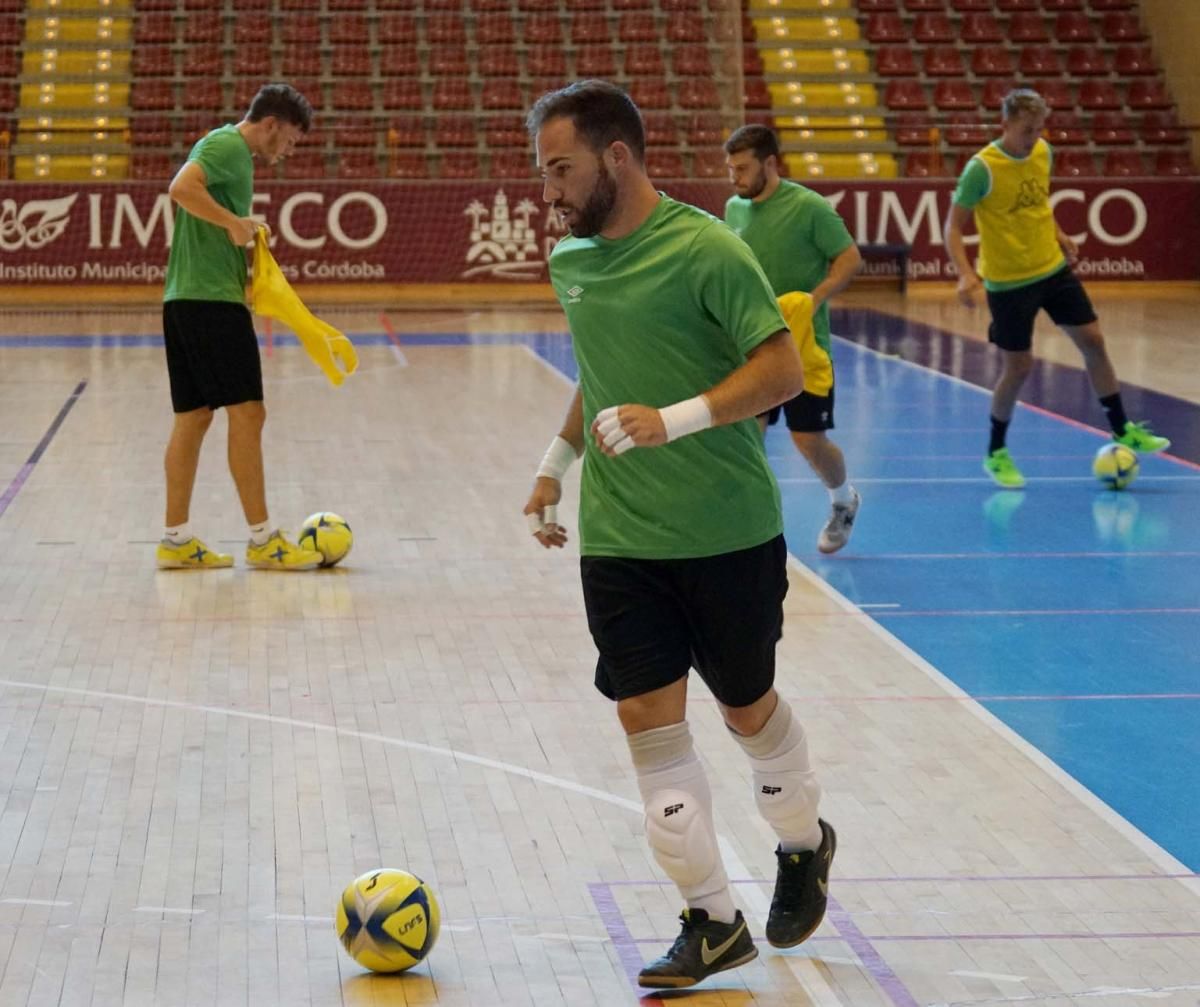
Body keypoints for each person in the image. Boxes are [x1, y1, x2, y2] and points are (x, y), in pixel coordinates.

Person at [522, 80, 836, 990]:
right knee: (646, 726)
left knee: (747, 710)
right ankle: (712, 921)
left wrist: (677, 417)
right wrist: (555, 460)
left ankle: (804, 841)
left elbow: (778, 368)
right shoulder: (571, 261)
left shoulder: (708, 248)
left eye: (561, 169)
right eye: (545, 172)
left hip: (727, 532)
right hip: (620, 541)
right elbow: (600, 368)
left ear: (617, 157)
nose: (550, 192)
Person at [944, 88, 1170, 489]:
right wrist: (964, 273)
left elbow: (1039, 204)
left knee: (1093, 341)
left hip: (1051, 269)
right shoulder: (983, 168)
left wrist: (1060, 233)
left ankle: (1122, 427)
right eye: (1026, 130)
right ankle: (996, 452)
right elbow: (952, 227)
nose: (1033, 137)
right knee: (1019, 368)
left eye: (1039, 129)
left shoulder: (1042, 152)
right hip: (1009, 282)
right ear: (1006, 125)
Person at [156, 83, 324, 570]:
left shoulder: (232, 154)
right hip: (209, 301)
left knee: (194, 417)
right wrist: (233, 222)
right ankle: (264, 540)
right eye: (290, 139)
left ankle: (175, 539)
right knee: (248, 413)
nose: (289, 151)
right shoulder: (228, 145)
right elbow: (181, 187)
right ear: (271, 124)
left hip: (185, 298)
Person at [724, 124, 864, 554]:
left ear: (770, 163)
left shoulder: (809, 208)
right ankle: (750, 528)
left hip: (804, 347)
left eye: (743, 168)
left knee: (809, 441)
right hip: (752, 347)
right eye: (731, 169)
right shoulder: (734, 209)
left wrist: (813, 299)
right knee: (748, 435)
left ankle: (843, 500)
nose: (735, 178)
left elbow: (849, 258)